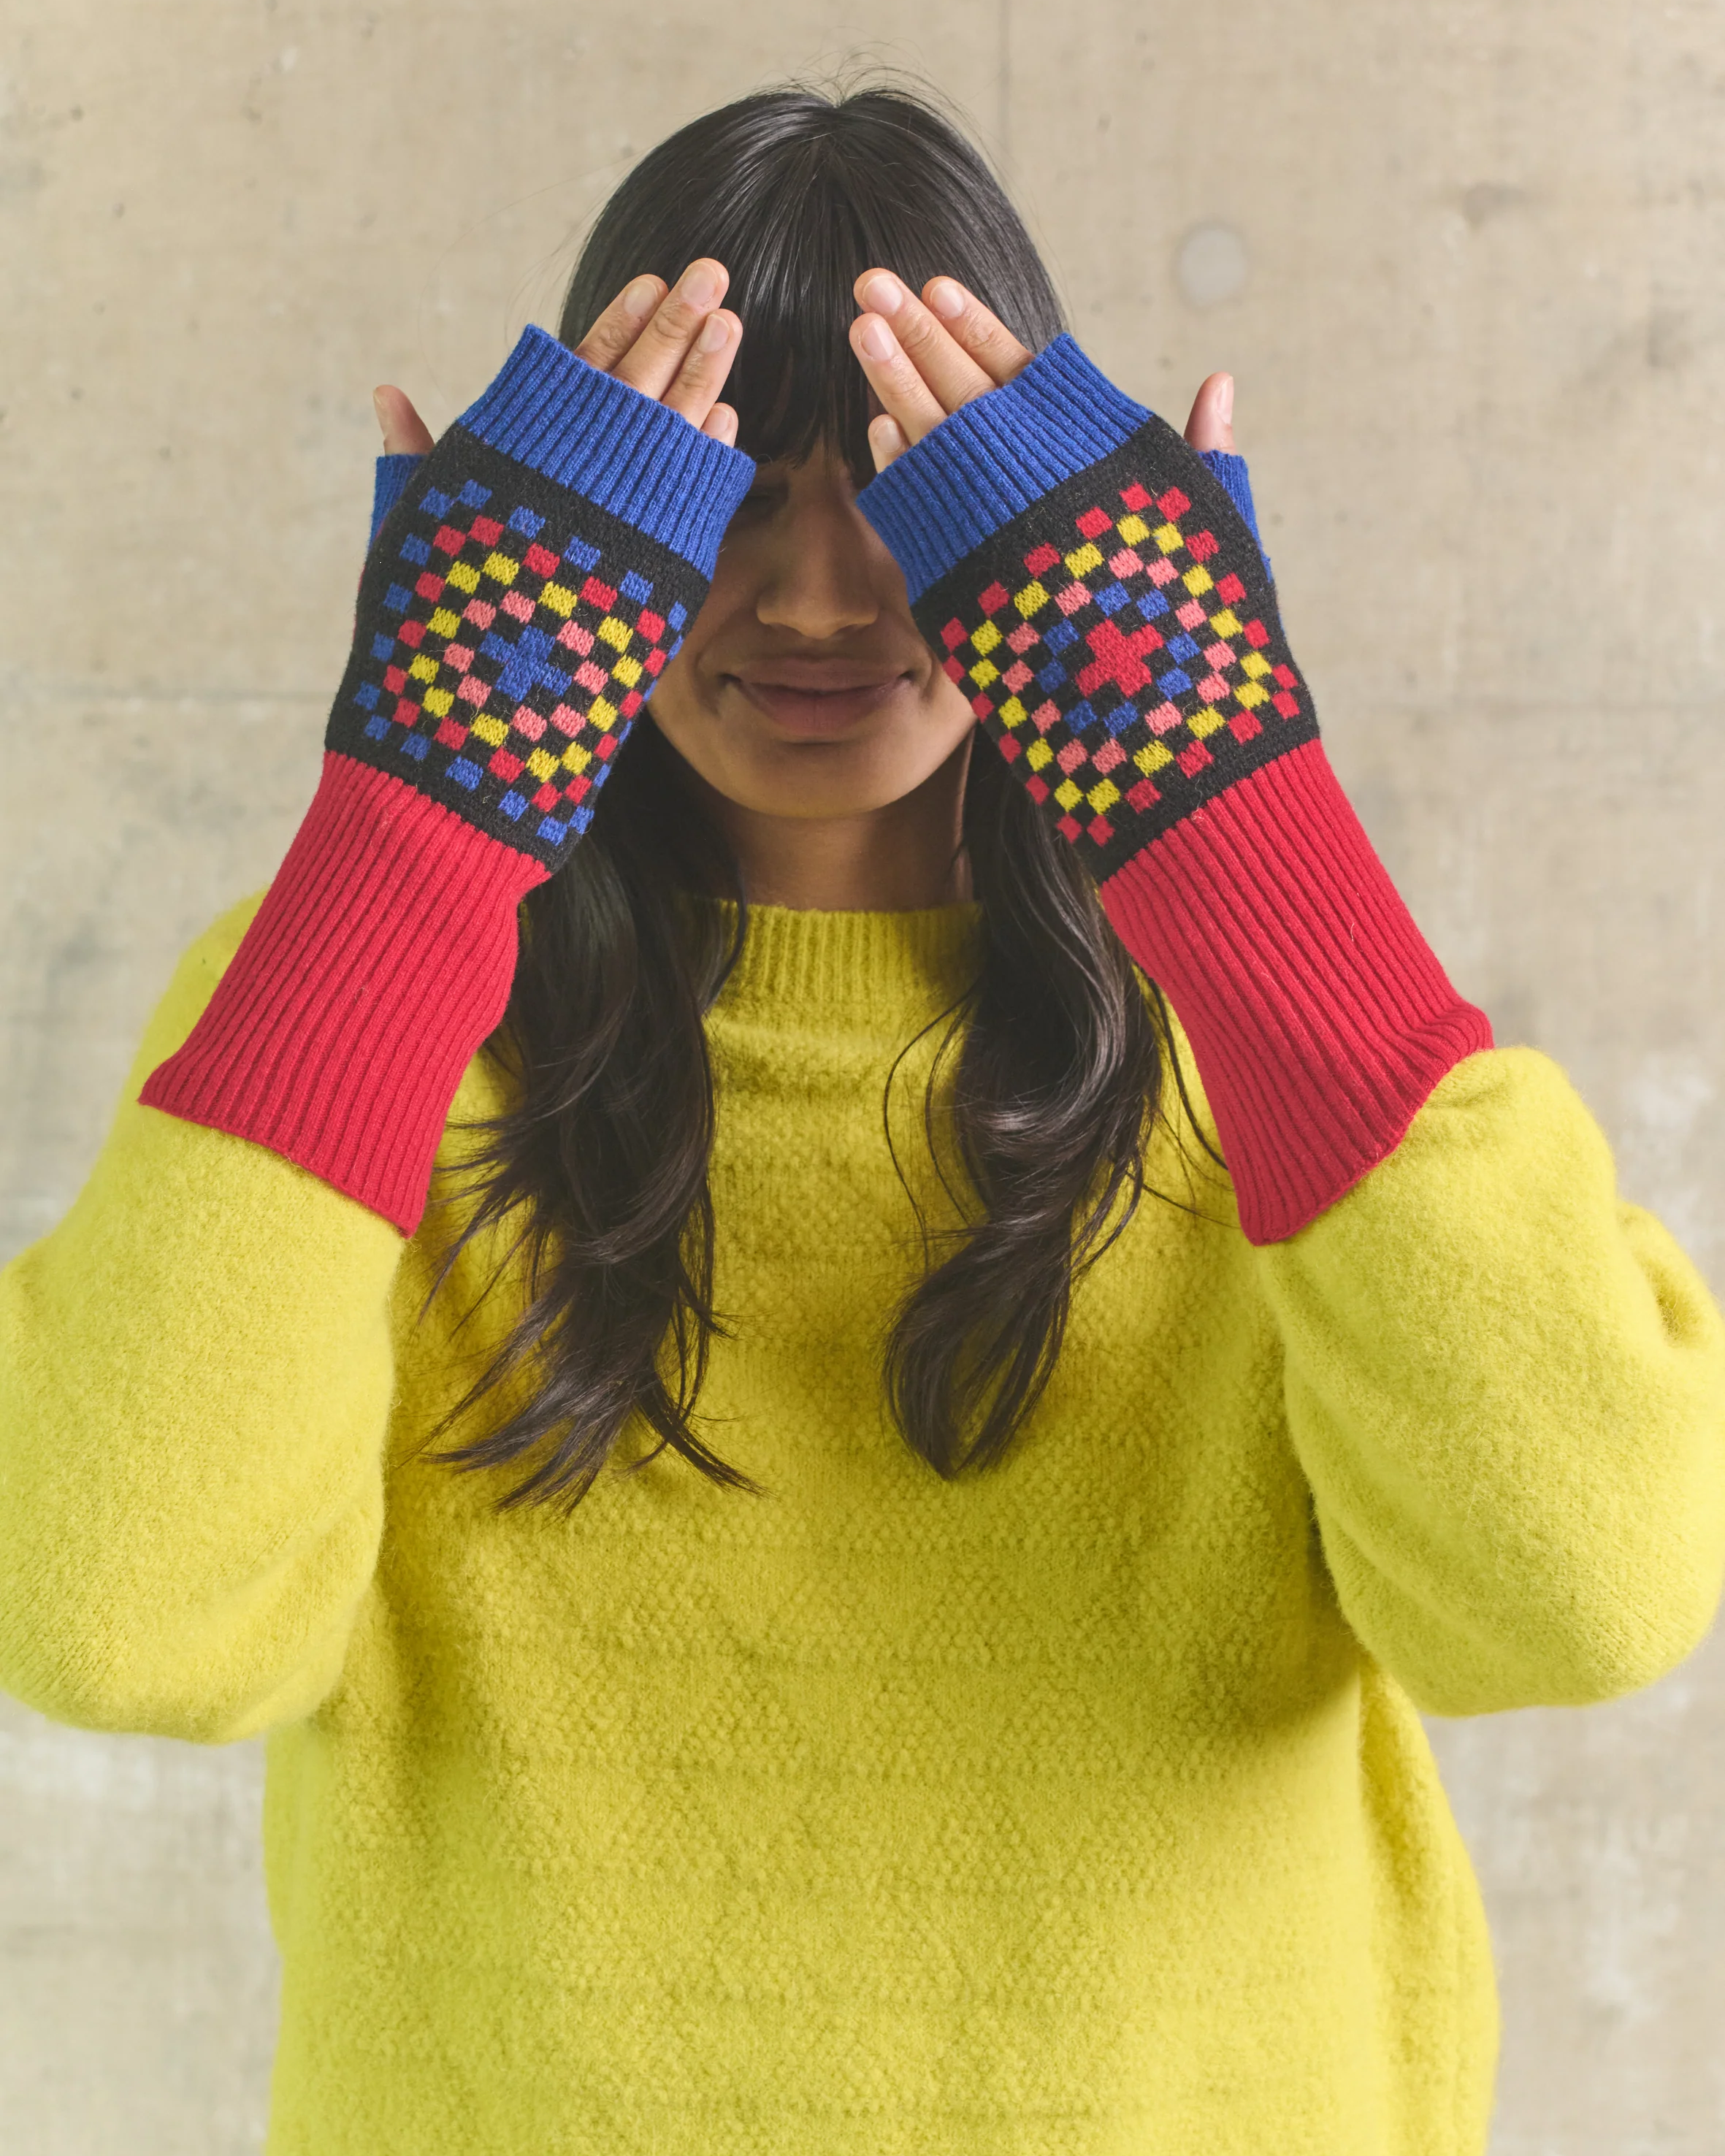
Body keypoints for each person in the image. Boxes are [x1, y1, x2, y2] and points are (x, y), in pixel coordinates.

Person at [3, 80, 1722, 2156]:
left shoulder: (1268, 1045)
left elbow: (1586, 1594)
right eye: (719, 487)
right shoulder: (356, 1031)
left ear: (1081, 530)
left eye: (908, 489)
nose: (821, 595)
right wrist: (409, 834)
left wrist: (1239, 820)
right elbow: (111, 1621)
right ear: (552, 527)